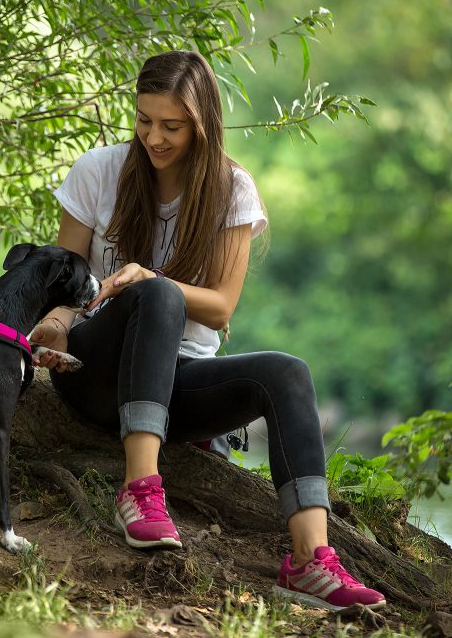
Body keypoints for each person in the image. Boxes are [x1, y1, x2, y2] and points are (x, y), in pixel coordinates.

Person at [29, 50, 385, 612]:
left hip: (176, 385)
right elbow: (65, 281)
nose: (154, 137)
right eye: (144, 120)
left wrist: (151, 278)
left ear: (202, 123)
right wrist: (54, 324)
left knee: (287, 373)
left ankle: (310, 561)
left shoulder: (230, 190)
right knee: (157, 292)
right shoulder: (98, 171)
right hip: (98, 373)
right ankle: (141, 490)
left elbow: (220, 307)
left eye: (171, 125)